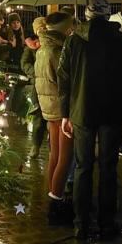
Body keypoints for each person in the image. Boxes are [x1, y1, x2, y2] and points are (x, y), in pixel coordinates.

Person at [57, 0, 122, 239]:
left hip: (82, 111)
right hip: (112, 113)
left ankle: (81, 223)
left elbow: (64, 79)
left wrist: (65, 114)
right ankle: (107, 222)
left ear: (88, 14)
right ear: (107, 15)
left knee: (83, 167)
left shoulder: (73, 42)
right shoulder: (121, 43)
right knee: (108, 169)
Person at [36, 12, 74, 225]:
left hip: (49, 109)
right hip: (62, 111)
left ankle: (53, 194)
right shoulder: (58, 52)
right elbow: (64, 84)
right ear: (64, 29)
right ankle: (56, 202)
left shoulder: (42, 49)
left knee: (55, 155)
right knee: (65, 158)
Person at [22, 17, 48, 159]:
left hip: (50, 86)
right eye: (40, 28)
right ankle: (35, 146)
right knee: (39, 119)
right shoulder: (31, 46)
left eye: (44, 27)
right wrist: (36, 72)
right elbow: (25, 63)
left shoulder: (52, 43)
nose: (43, 30)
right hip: (37, 86)